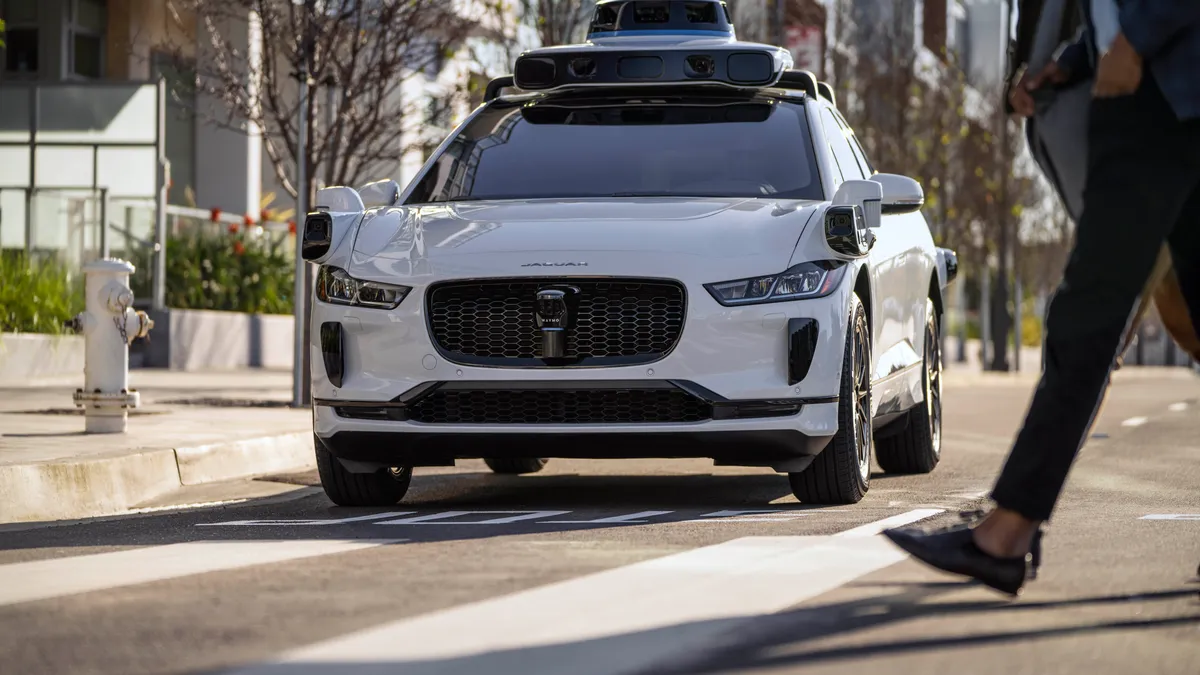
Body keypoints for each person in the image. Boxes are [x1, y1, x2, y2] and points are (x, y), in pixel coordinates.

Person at [883, 0, 1200, 596]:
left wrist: (1133, 43)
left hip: (1157, 93)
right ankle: (1009, 529)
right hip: (1155, 82)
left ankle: (1006, 533)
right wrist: (1070, 61)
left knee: (1090, 316)